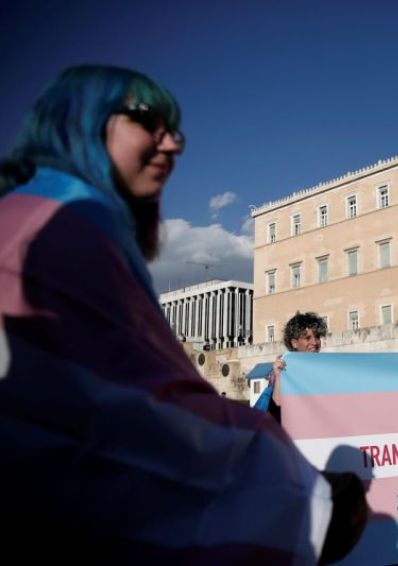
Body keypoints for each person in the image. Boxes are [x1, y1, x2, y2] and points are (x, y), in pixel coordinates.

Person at [0, 65, 365, 562]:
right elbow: (142, 412)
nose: (172, 145)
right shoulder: (66, 227)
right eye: (148, 123)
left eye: (174, 131)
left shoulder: (31, 216)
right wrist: (316, 502)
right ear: (82, 120)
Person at [254, 311, 327, 420]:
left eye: (317, 337)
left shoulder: (326, 371)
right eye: (307, 338)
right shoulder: (284, 373)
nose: (315, 342)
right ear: (294, 343)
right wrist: (279, 377)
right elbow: (275, 414)